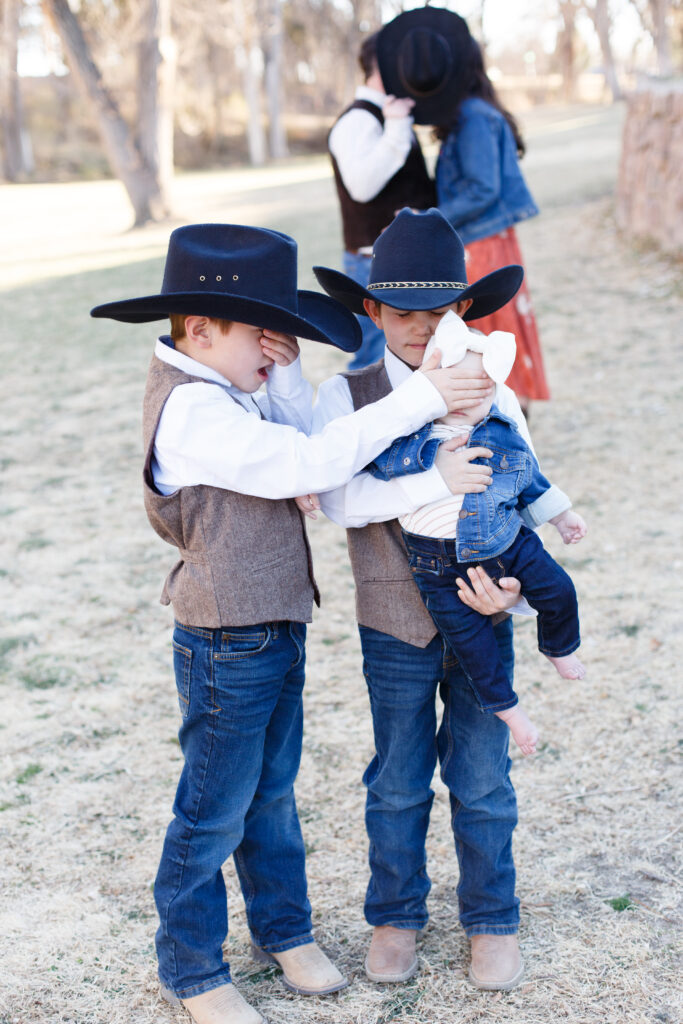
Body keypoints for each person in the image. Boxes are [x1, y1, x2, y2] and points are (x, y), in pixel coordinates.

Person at [89, 221, 486, 1024]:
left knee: (270, 797)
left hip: (272, 628)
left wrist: (284, 375)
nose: (271, 350)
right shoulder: (194, 412)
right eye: (259, 337)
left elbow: (305, 438)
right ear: (200, 330)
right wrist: (419, 398)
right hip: (225, 638)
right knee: (211, 810)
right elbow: (309, 465)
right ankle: (192, 968)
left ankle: (284, 931)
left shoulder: (230, 387)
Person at [310, 207, 568, 991]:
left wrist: (519, 591)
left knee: (483, 776)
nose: (420, 328)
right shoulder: (344, 394)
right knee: (395, 777)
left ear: (461, 311)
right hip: (391, 621)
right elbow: (336, 501)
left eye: (437, 312)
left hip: (482, 604)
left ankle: (492, 917)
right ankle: (395, 916)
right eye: (401, 313)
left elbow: (518, 490)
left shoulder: (494, 389)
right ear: (371, 310)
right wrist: (432, 479)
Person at [364, 310, 587, 756]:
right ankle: (509, 710)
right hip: (436, 562)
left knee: (559, 589)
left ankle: (559, 646)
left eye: (479, 392)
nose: (466, 402)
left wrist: (561, 515)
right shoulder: (411, 431)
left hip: (507, 542)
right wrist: (432, 463)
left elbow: (529, 478)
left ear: (495, 392)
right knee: (474, 650)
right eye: (454, 391)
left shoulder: (500, 430)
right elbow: (376, 464)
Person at [434, 33, 549, 411]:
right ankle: (507, 410)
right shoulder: (472, 113)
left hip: (481, 245)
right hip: (485, 240)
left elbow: (483, 189)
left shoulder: (473, 117)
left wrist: (429, 220)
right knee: (494, 328)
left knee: (490, 331)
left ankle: (508, 414)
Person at [327, 29, 436, 370]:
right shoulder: (358, 120)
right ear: (383, 64)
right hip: (375, 266)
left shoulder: (391, 113)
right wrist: (396, 126)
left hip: (401, 264)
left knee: (404, 366)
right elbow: (362, 187)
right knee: (375, 366)